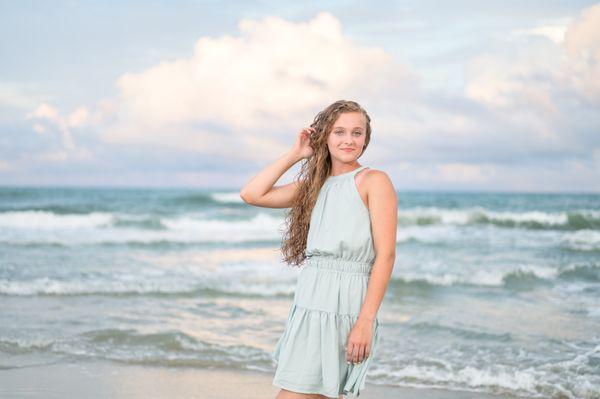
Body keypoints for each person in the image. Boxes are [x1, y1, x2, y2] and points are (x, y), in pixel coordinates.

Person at [240, 100, 398, 398]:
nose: (349, 140)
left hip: (346, 303)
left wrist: (365, 321)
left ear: (366, 139)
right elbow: (251, 194)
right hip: (311, 298)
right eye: (339, 132)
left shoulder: (374, 181)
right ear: (324, 136)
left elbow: (386, 256)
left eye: (357, 133)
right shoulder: (314, 186)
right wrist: (296, 154)